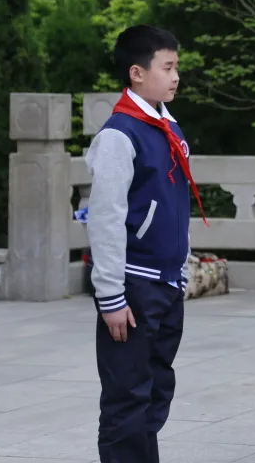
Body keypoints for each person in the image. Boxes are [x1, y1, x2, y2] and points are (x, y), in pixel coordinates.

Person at [84, 24, 209, 462]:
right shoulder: (120, 134)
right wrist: (111, 297)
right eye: (168, 67)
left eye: (177, 67)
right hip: (134, 286)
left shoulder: (164, 126)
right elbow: (105, 220)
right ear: (137, 73)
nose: (176, 77)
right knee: (126, 398)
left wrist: (182, 265)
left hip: (164, 284)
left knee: (155, 391)